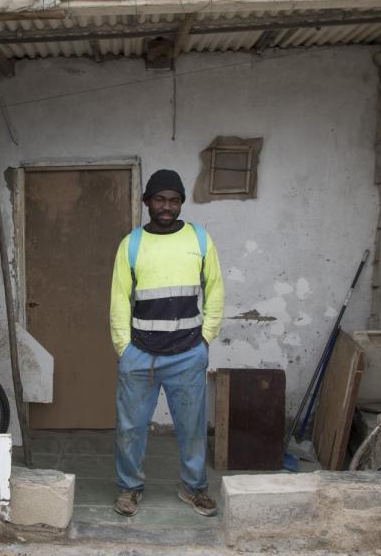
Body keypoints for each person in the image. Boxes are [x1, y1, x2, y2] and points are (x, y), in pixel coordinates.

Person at [109, 168, 224, 518]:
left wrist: (206, 338)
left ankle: (194, 488)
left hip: (188, 353)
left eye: (174, 200)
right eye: (159, 199)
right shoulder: (131, 244)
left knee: (192, 429)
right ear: (147, 201)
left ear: (181, 203)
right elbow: (119, 299)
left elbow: (215, 289)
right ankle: (129, 488)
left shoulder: (199, 239)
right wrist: (124, 349)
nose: (167, 206)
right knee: (130, 428)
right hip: (140, 355)